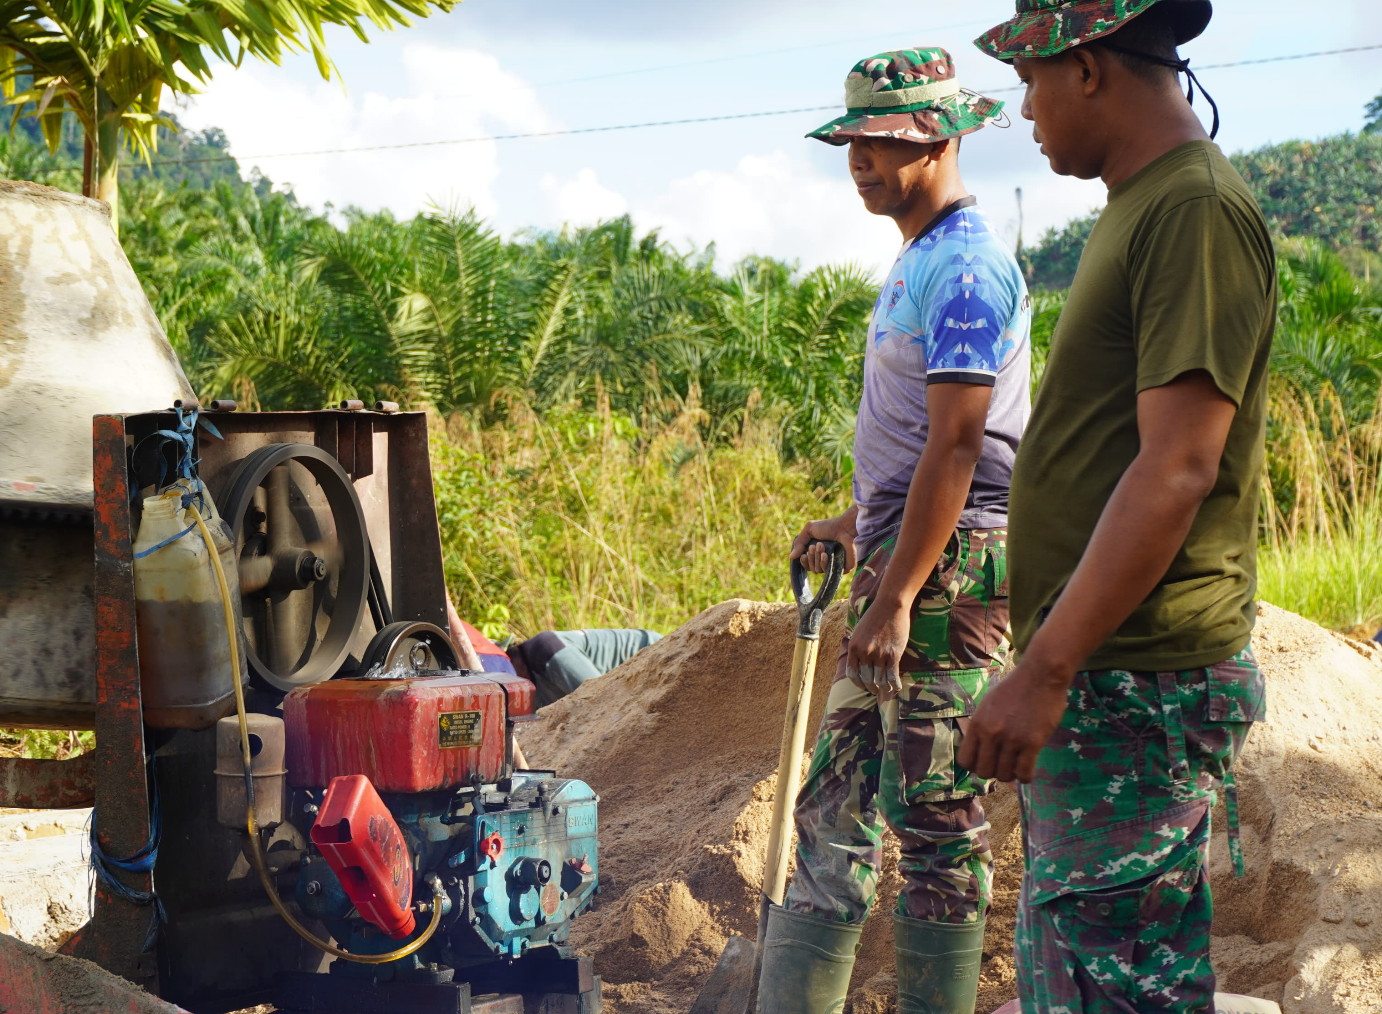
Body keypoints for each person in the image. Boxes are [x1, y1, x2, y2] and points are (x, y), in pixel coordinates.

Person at [962, 2, 1275, 1010]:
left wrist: (1046, 668)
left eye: (1031, 80)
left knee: (1114, 987)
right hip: (1106, 677)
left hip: (1127, 681)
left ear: (1087, 67)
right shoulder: (1143, 204)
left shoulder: (1191, 210)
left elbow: (1177, 465)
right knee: (1084, 977)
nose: (1025, 110)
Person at [762, 47, 1031, 1014]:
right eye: (854, 141)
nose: (862, 160)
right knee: (832, 806)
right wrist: (856, 521)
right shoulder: (917, 261)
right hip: (903, 557)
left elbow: (960, 448)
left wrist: (904, 593)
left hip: (951, 575)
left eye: (885, 140)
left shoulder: (965, 269)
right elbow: (919, 441)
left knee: (935, 820)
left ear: (944, 139)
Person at [505, 628, 661, 708]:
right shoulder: (526, 689)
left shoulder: (549, 650)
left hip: (655, 656)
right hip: (629, 687)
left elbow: (602, 697)